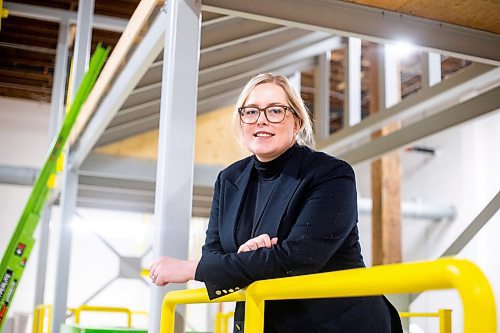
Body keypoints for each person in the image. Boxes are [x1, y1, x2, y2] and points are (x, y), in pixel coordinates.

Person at [149, 73, 403, 332]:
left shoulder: (331, 174)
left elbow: (299, 258)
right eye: (251, 111)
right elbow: (214, 253)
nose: (261, 120)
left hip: (338, 323)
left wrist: (192, 269)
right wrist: (245, 257)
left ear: (297, 121)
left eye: (275, 111)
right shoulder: (229, 179)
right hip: (267, 321)